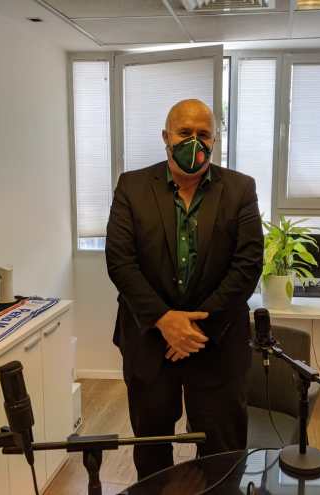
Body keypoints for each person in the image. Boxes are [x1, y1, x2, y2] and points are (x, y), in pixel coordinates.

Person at [105, 98, 263, 480]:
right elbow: (120, 263)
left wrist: (194, 328)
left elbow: (247, 267)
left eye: (203, 134)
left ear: (215, 141)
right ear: (166, 136)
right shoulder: (132, 187)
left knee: (223, 451)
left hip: (218, 342)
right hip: (149, 341)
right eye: (185, 132)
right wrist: (164, 320)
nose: (195, 142)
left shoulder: (240, 189)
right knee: (151, 447)